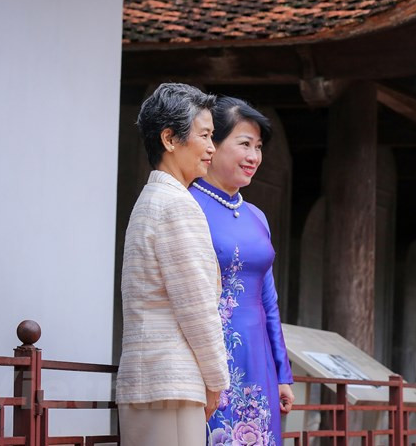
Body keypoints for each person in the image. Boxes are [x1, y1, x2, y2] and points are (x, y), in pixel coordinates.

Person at [117, 83, 230, 446]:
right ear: (170, 138)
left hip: (145, 381)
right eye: (205, 135)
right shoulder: (178, 205)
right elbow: (196, 307)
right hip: (173, 386)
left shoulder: (150, 200)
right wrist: (217, 381)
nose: (212, 148)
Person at [188, 97, 294, 446]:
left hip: (258, 356)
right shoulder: (187, 205)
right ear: (212, 144)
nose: (254, 157)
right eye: (244, 144)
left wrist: (282, 373)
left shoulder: (256, 217)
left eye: (259, 147)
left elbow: (269, 300)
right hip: (210, 354)